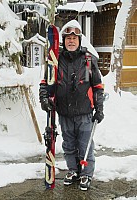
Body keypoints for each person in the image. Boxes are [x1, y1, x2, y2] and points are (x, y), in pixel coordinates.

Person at [39, 20, 104, 191]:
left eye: (74, 38)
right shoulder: (55, 60)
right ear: (63, 41)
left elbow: (98, 86)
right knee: (68, 145)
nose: (71, 41)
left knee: (85, 146)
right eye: (68, 38)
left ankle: (86, 174)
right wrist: (44, 99)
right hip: (64, 112)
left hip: (84, 113)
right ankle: (73, 171)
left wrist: (100, 108)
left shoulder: (89, 60)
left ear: (79, 40)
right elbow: (45, 84)